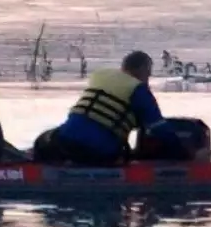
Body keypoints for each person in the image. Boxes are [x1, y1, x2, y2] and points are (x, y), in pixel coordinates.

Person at [32, 50, 196, 166]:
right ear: (143, 70)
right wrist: (189, 156)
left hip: (64, 140)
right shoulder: (138, 90)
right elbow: (160, 131)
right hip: (100, 152)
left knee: (42, 141)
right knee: (121, 153)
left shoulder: (101, 75)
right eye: (149, 73)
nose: (148, 79)